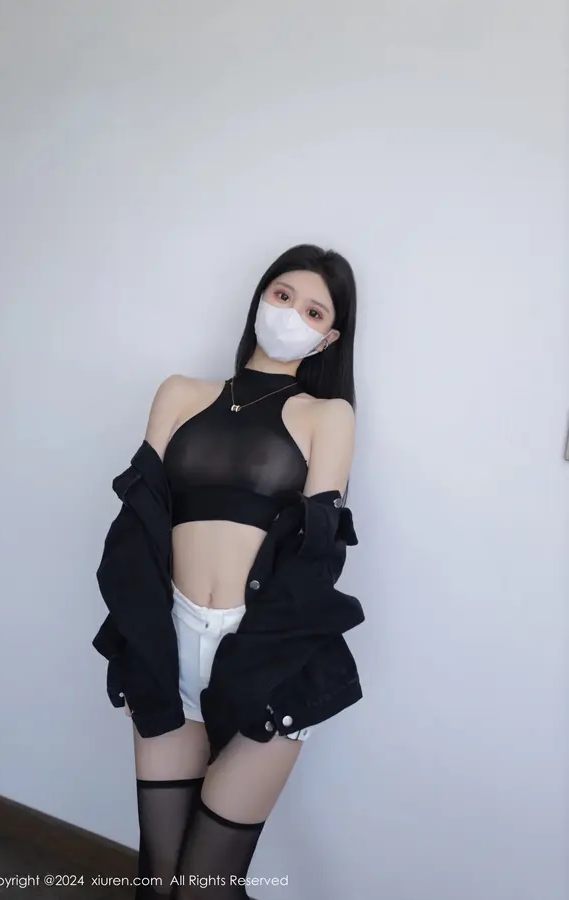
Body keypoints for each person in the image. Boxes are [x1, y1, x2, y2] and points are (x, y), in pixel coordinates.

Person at [92, 244, 365, 898]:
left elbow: (315, 556)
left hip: (267, 651)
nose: (291, 314)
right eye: (282, 295)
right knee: (160, 881)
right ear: (260, 297)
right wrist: (140, 641)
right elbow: (137, 529)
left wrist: (255, 661)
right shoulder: (181, 393)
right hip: (169, 641)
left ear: (328, 338)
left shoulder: (328, 416)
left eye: (313, 311)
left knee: (205, 887)